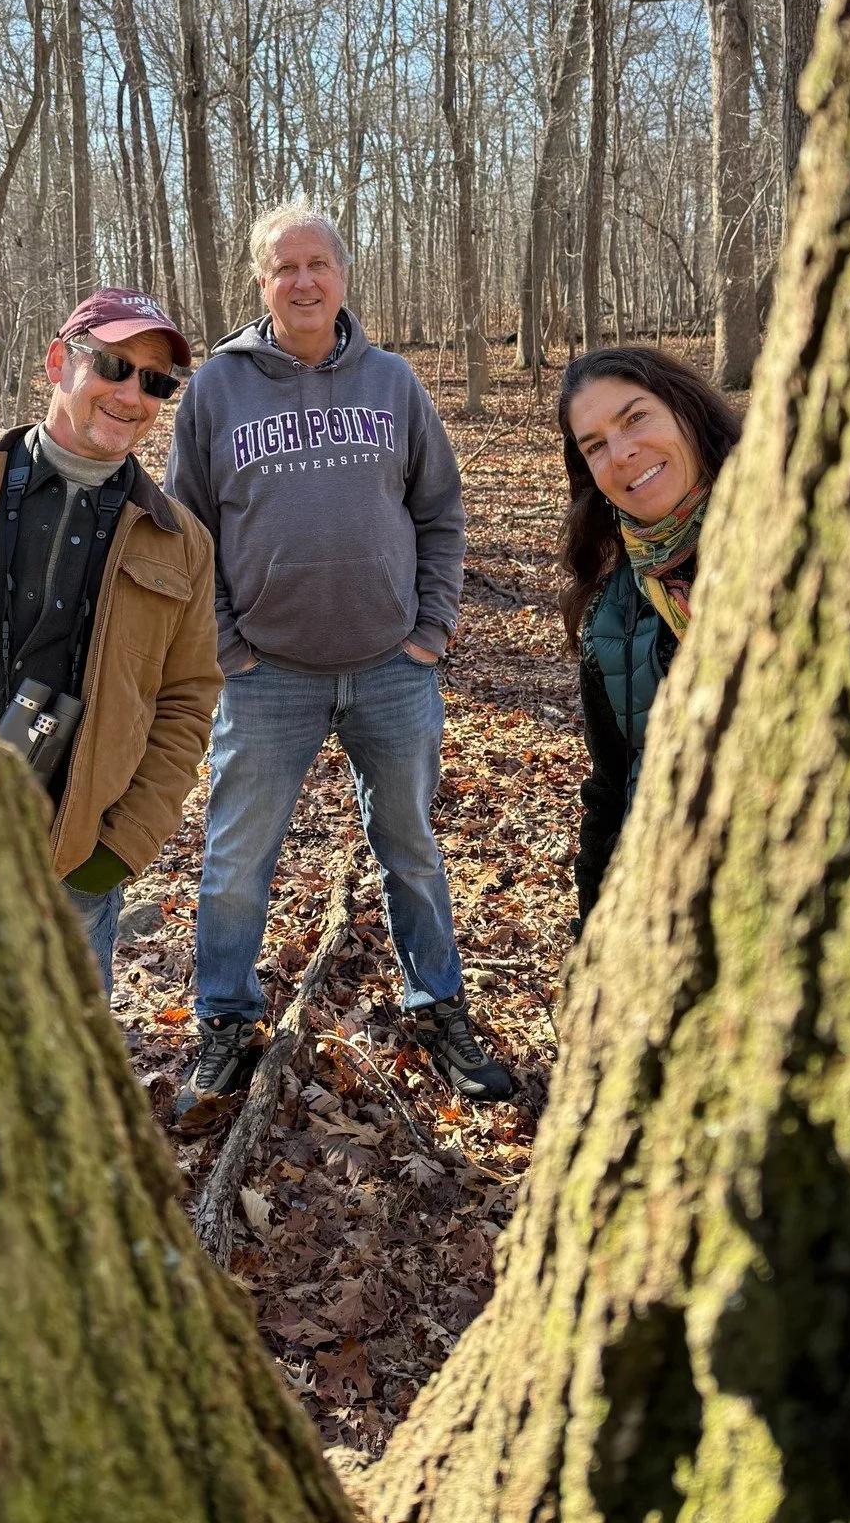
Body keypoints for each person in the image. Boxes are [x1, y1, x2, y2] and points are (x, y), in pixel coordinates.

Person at [165, 199, 513, 1120]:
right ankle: (226, 1023)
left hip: (391, 671)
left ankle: (437, 1007)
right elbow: (186, 536)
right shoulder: (215, 392)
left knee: (411, 847)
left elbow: (440, 514)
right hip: (266, 676)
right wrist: (228, 647)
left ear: (344, 275)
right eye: (285, 267)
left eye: (319, 263)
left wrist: (430, 631)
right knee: (236, 862)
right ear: (261, 282)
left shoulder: (393, 382)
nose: (304, 281)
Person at [0, 289, 221, 993]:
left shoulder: (181, 542)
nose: (132, 393)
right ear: (57, 362)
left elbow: (188, 702)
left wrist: (115, 850)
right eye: (112, 364)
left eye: (155, 380)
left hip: (68, 869)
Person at [557, 346, 742, 929]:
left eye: (636, 418)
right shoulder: (611, 614)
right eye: (594, 446)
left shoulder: (792, 539)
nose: (622, 453)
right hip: (676, 927)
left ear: (686, 409)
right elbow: (612, 791)